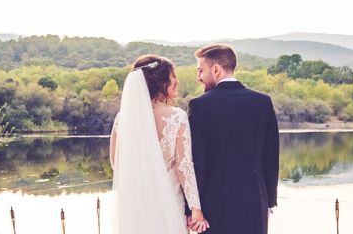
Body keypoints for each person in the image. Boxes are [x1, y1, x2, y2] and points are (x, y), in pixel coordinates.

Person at [110, 55, 209, 234]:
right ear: (161, 82)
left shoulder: (122, 119)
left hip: (135, 207)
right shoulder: (177, 117)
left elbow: (116, 163)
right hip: (169, 204)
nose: (177, 81)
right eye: (173, 76)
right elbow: (184, 167)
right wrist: (196, 209)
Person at [188, 44, 279, 234]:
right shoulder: (262, 102)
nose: (199, 77)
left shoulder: (200, 106)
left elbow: (198, 162)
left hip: (215, 203)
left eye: (200, 71)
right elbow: (271, 156)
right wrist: (268, 200)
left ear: (215, 69)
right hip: (255, 201)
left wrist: (194, 209)